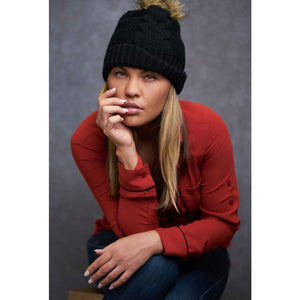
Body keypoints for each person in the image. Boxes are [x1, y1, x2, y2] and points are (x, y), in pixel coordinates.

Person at [71, 0, 240, 299]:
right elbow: (132, 239)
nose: (131, 89)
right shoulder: (88, 138)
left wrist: (155, 241)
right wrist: (124, 149)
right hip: (119, 241)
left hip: (199, 252)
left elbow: (222, 225)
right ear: (107, 79)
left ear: (170, 86)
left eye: (149, 76)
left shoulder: (207, 128)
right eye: (120, 73)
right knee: (159, 267)